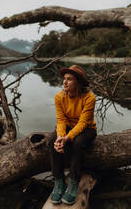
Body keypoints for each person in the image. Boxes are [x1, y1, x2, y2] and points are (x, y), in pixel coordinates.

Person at [49, 65, 97, 205]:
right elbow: (61, 120)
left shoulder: (89, 98)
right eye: (64, 79)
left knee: (77, 142)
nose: (64, 82)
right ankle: (59, 180)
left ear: (78, 82)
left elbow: (83, 123)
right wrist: (60, 137)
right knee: (51, 140)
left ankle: (74, 181)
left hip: (87, 129)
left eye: (69, 79)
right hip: (68, 127)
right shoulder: (59, 97)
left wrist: (68, 138)